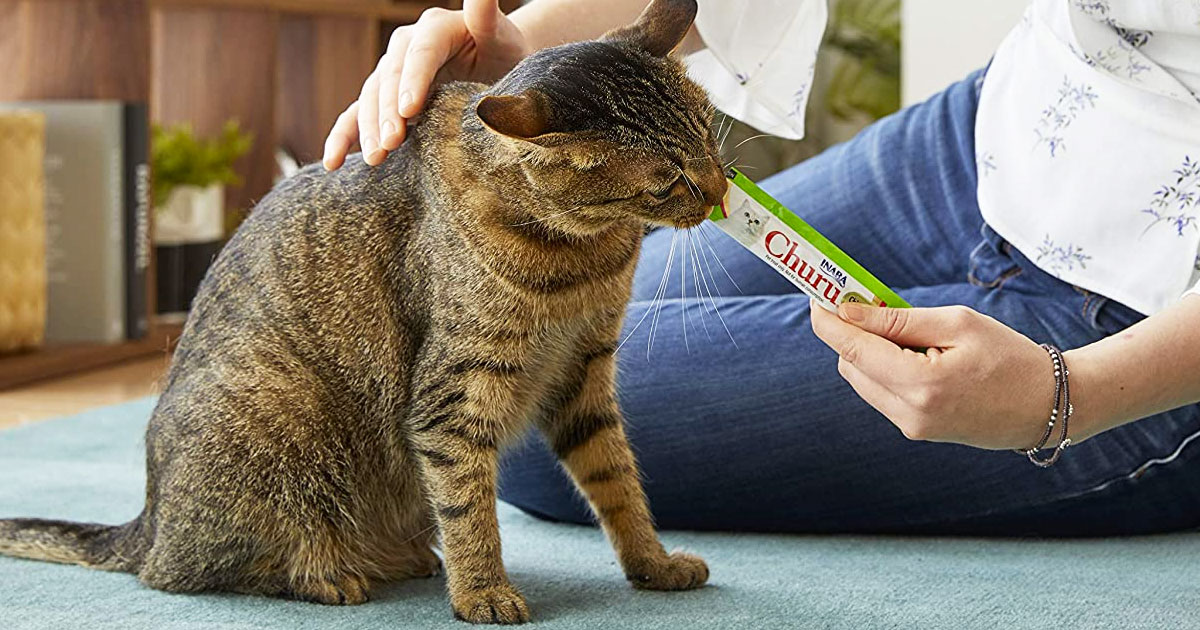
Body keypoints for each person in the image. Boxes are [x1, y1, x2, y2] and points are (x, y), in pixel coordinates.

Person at [323, 0, 1200, 535]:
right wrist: (537, 54)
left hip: (1151, 306)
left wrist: (1069, 394)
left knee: (533, 426)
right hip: (992, 138)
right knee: (566, 325)